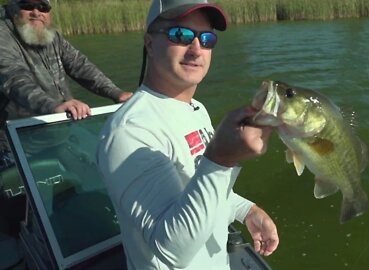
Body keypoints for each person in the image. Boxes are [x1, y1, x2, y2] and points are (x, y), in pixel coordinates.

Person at [96, 0, 279, 269]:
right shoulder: (130, 132)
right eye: (180, 35)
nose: (196, 49)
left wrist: (245, 210)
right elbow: (171, 251)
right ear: (149, 43)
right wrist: (221, 158)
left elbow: (198, 185)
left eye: (206, 39)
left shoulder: (196, 108)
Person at [0, 0, 133, 157]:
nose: (36, 13)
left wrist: (116, 93)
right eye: (28, 6)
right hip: (18, 144)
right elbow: (14, 79)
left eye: (43, 7)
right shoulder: (3, 36)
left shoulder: (49, 35)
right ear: (14, 8)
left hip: (59, 132)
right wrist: (54, 106)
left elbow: (79, 65)